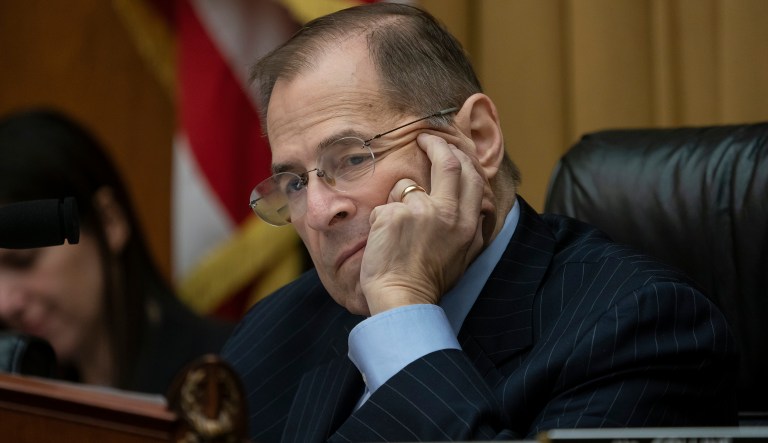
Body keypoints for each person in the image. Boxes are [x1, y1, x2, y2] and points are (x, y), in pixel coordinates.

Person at [221, 3, 739, 441]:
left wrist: (402, 310)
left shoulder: (640, 327)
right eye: (293, 183)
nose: (317, 212)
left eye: (353, 158)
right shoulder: (274, 330)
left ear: (478, 137)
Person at [0, 108, 233, 394]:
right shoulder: (21, 391)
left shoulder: (230, 372)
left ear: (109, 221)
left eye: (24, 261)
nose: (5, 303)